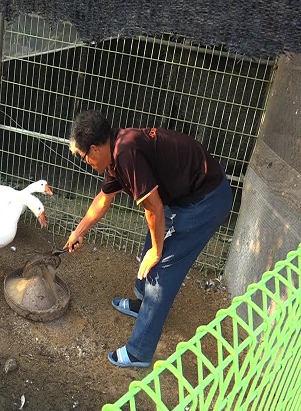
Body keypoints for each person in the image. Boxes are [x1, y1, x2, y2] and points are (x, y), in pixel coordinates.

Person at [63, 110, 232, 368]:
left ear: (95, 149)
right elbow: (104, 199)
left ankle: (139, 352)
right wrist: (79, 231)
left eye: (83, 156)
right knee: (152, 240)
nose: (85, 162)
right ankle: (143, 302)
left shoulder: (126, 153)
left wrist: (157, 250)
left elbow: (154, 208)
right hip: (187, 193)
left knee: (161, 268)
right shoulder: (117, 151)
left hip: (206, 200)